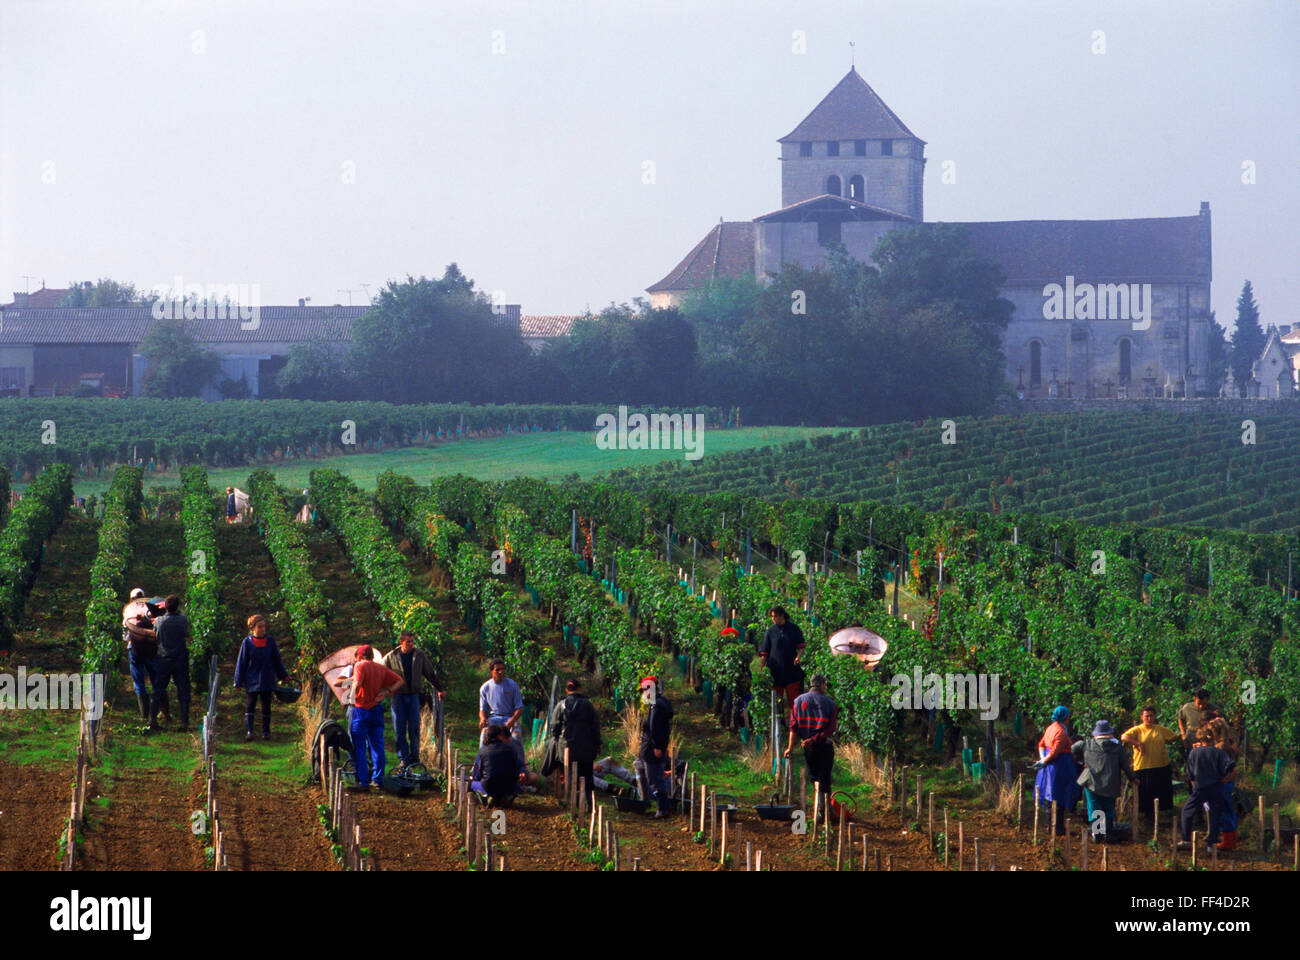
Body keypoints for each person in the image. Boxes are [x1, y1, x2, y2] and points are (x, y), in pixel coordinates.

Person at [382, 630, 446, 772]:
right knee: (399, 728)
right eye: (408, 642)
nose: (411, 644)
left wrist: (439, 688)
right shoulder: (391, 657)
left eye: (412, 641)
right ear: (401, 642)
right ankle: (403, 758)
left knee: (414, 727)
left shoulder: (419, 655)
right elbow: (381, 675)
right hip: (398, 696)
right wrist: (387, 690)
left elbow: (429, 673)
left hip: (413, 695)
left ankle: (415, 757)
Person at [344, 645, 404, 790]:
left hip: (361, 709)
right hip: (376, 709)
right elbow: (400, 681)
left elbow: (357, 683)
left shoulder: (360, 665)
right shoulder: (380, 668)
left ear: (359, 656)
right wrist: (386, 691)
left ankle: (363, 782)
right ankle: (378, 780)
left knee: (359, 746)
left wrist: (349, 698)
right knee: (377, 745)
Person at [784, 674, 840, 817]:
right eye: (825, 685)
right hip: (823, 746)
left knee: (814, 777)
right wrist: (815, 739)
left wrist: (790, 747)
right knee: (824, 777)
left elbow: (793, 726)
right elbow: (830, 729)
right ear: (821, 685)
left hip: (807, 747)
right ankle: (824, 810)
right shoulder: (830, 704)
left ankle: (821, 809)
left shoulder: (798, 702)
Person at [1072, 720, 1132, 840]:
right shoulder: (1117, 747)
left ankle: (1097, 834)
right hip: (1110, 781)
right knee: (1108, 807)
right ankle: (1108, 833)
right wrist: (1133, 778)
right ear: (1109, 733)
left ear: (1096, 734)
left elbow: (1072, 749)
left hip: (1091, 781)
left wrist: (1082, 761)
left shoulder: (1086, 744)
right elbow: (1125, 764)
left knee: (1094, 806)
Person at [232, 614, 289, 741]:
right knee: (250, 705)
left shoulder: (270, 641)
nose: (263, 629)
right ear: (253, 628)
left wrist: (283, 675)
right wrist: (238, 681)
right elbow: (241, 663)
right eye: (260, 626)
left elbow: (276, 660)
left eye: (264, 626)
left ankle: (266, 732)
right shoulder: (247, 643)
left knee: (266, 706)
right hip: (252, 679)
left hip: (267, 679)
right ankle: (250, 731)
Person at [1180, 726, 1235, 849]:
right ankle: (1211, 845)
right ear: (1213, 738)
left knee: (1187, 811)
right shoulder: (1219, 753)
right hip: (1217, 788)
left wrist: (1195, 786)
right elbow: (1231, 767)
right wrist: (1225, 780)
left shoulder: (1194, 753)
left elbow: (1190, 774)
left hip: (1200, 788)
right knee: (1215, 815)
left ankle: (1186, 840)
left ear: (1199, 738)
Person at [1121, 706, 1180, 821]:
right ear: (1141, 717)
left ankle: (1162, 816)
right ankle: (1147, 818)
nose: (1149, 718)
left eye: (1151, 715)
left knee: (1161, 793)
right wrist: (1137, 743)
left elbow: (1174, 737)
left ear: (1155, 716)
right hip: (1143, 767)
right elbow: (1124, 737)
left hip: (1161, 765)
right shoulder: (1137, 730)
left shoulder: (1160, 729)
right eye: (1146, 716)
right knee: (1146, 794)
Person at [122, 587, 168, 731]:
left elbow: (126, 637)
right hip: (151, 651)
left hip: (135, 651)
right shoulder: (149, 611)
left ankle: (144, 715)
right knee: (156, 680)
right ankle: (162, 712)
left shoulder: (128, 614)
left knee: (138, 682)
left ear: (131, 599)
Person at [550, 678, 602, 803]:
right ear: (579, 688)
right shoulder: (588, 704)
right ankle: (589, 802)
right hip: (586, 750)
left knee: (570, 775)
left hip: (567, 750)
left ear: (567, 690)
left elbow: (554, 728)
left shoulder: (561, 705)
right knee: (587, 776)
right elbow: (595, 727)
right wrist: (598, 743)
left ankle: (569, 801)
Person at [1034, 705, 1080, 836]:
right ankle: (1057, 828)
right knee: (1058, 795)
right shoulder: (1060, 731)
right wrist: (1045, 760)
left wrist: (1043, 758)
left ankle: (1053, 826)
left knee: (1052, 794)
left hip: (1050, 766)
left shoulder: (1050, 728)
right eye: (1068, 716)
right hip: (1059, 767)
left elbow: (1041, 744)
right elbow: (1055, 751)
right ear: (1065, 717)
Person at [152, 595, 192, 732]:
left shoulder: (159, 621)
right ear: (177, 606)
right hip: (180, 659)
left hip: (164, 659)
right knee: (183, 690)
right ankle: (184, 723)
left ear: (166, 607)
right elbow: (187, 633)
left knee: (158, 689)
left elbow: (155, 637)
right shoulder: (183, 620)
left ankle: (153, 721)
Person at [638, 676, 674, 818]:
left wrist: (658, 747)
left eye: (644, 690)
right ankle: (662, 808)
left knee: (655, 779)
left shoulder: (657, 706)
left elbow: (655, 729)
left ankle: (662, 810)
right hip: (654, 747)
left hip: (652, 749)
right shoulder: (660, 703)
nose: (643, 694)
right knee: (655, 777)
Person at [759, 606, 805, 714]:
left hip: (791, 669)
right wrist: (761, 667)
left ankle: (794, 725)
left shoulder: (794, 629)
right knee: (777, 702)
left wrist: (798, 657)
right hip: (775, 670)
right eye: (772, 617)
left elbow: (801, 646)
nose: (773, 619)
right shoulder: (770, 631)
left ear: (782, 615)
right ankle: (780, 725)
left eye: (775, 616)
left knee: (794, 701)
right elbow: (764, 652)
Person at [1206, 711, 1239, 850]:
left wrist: (1224, 779)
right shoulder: (1230, 744)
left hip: (1223, 782)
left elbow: (1230, 768)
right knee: (1228, 809)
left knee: (1224, 810)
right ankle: (1230, 839)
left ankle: (1228, 842)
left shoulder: (1220, 747)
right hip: (1227, 782)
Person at [471, 724, 527, 807]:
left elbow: (477, 774)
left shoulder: (483, 750)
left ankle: (487, 797)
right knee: (516, 786)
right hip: (509, 786)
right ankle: (505, 797)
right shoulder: (511, 749)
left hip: (488, 786)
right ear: (499, 736)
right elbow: (519, 766)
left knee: (473, 784)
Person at [478, 659, 523, 746]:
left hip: (509, 717)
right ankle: (481, 758)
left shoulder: (512, 685)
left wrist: (512, 721)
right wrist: (483, 719)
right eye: (497, 670)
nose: (500, 672)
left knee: (516, 736)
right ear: (491, 671)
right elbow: (482, 709)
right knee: (484, 733)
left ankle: (520, 759)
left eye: (502, 669)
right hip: (494, 719)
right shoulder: (485, 688)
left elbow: (519, 708)